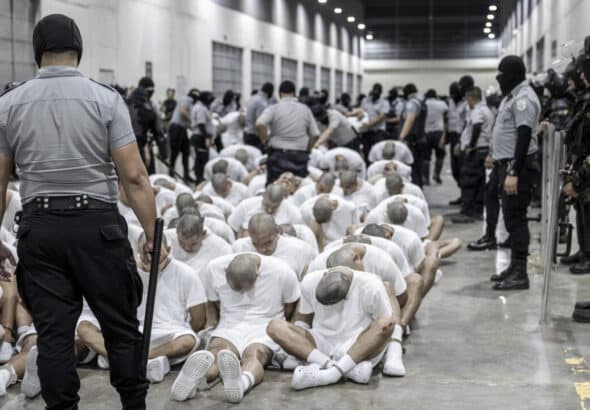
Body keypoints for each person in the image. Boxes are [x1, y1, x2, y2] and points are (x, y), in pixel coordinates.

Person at [0, 14, 163, 409]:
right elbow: (136, 177)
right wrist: (152, 232)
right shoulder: (106, 99)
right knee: (122, 328)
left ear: (37, 52)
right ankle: (133, 405)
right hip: (98, 228)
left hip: (39, 229)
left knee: (54, 334)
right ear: (79, 49)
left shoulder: (8, 103)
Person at [170, 252, 300, 403]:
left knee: (254, 354)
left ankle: (240, 383)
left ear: (258, 275)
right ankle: (193, 382)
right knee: (216, 352)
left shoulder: (282, 270)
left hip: (265, 327)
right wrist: (211, 327)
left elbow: (290, 306)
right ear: (225, 270)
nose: (243, 293)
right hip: (229, 324)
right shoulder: (214, 268)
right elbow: (213, 304)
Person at [77, 233, 206, 383]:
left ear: (169, 249)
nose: (150, 258)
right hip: (130, 333)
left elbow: (199, 320)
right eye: (144, 253)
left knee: (188, 340)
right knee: (84, 329)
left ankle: (134, 360)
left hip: (166, 334)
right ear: (137, 250)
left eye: (154, 253)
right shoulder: (126, 271)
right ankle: (143, 362)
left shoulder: (186, 273)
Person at [266, 267, 395, 389]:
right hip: (322, 341)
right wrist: (298, 348)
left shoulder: (371, 285)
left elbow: (386, 324)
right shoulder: (309, 281)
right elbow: (303, 318)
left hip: (356, 345)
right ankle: (338, 368)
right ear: (324, 275)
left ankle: (331, 375)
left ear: (346, 296)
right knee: (274, 326)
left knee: (385, 323)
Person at [489, 55, 541, 290]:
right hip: (507, 165)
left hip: (516, 168)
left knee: (516, 219)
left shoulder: (523, 99)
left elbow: (523, 136)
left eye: (502, 75)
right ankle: (514, 265)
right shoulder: (513, 97)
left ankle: (521, 272)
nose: (499, 80)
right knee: (510, 218)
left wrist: (513, 171)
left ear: (512, 75)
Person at [256, 81, 320, 186]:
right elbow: (315, 134)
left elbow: (259, 124)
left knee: (275, 188)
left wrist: (265, 140)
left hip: (278, 156)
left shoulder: (273, 108)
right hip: (299, 157)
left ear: (279, 93)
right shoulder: (305, 109)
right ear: (294, 93)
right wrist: (308, 149)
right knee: (298, 188)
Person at [453, 87, 495, 223]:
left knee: (468, 180)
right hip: (483, 149)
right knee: (479, 182)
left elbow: (476, 127)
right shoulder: (487, 110)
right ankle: (477, 210)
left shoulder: (477, 111)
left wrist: (470, 145)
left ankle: (468, 212)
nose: (467, 102)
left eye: (467, 99)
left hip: (476, 150)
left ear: (471, 98)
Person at [232, 213, 317, 279]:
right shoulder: (240, 247)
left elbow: (307, 286)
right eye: (256, 244)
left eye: (268, 243)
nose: (262, 250)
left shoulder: (301, 250)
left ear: (277, 231)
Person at [227, 184, 302, 236]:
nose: (269, 210)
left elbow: (299, 235)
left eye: (274, 207)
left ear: (282, 201)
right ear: (263, 196)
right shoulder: (246, 205)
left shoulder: (293, 212)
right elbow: (232, 228)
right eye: (266, 205)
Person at [127, 76, 167, 174]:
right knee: (147, 177)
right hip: (141, 147)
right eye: (150, 90)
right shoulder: (148, 106)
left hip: (124, 148)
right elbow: (158, 130)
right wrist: (163, 151)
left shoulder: (126, 101)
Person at [399, 83, 427, 187]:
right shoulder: (421, 102)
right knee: (418, 168)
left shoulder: (412, 103)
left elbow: (410, 119)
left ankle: (415, 192)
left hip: (413, 141)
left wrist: (401, 137)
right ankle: (419, 189)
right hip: (420, 139)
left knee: (412, 169)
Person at [168, 88, 199, 181]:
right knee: (175, 152)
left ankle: (186, 174)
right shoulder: (187, 99)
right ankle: (171, 173)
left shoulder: (190, 102)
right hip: (177, 128)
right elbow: (182, 111)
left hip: (182, 129)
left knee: (186, 152)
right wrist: (193, 121)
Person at [446, 82, 468, 205]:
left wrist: (461, 141)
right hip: (452, 136)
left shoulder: (465, 104)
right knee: (455, 169)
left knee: (462, 168)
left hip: (461, 137)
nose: (453, 96)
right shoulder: (449, 103)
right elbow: (447, 120)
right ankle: (462, 193)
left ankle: (465, 197)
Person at [359, 83, 390, 163]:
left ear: (380, 93)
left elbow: (381, 117)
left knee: (379, 153)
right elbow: (361, 111)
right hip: (366, 131)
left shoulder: (384, 102)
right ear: (372, 91)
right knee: (366, 152)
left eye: (377, 92)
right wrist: (360, 115)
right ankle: (368, 170)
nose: (375, 93)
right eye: (374, 91)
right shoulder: (365, 100)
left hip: (378, 131)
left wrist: (369, 124)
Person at [423, 89, 448, 185]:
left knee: (426, 157)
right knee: (440, 156)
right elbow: (446, 118)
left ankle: (426, 178)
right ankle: (436, 175)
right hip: (439, 133)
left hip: (426, 133)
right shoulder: (442, 104)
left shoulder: (424, 103)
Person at [191, 91, 216, 183]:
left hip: (200, 136)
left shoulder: (200, 107)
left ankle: (199, 177)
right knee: (202, 159)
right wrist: (207, 138)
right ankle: (199, 179)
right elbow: (201, 124)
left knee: (201, 158)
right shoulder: (200, 108)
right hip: (200, 137)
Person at [244, 83, 273, 151]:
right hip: (254, 137)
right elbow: (260, 124)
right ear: (270, 92)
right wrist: (265, 140)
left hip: (247, 133)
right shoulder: (262, 102)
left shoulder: (253, 98)